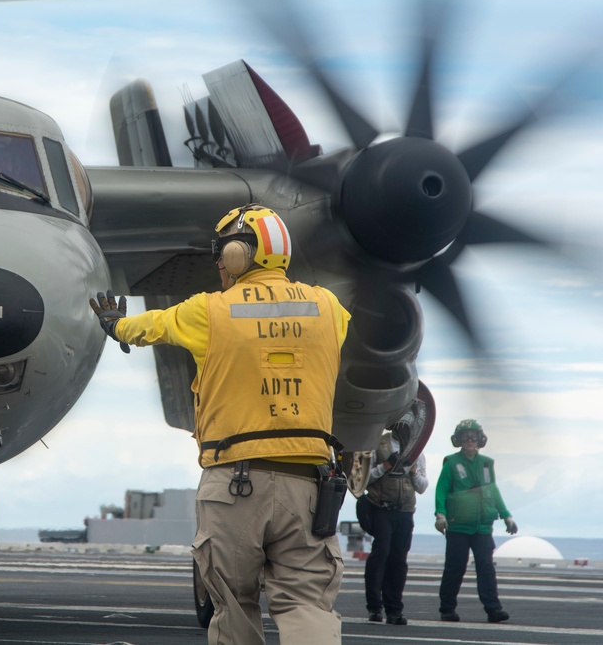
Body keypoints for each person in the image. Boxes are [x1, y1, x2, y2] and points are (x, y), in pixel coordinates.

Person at [89, 204, 350, 645]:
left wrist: (115, 325)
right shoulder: (328, 308)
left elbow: (149, 326)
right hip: (308, 487)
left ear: (237, 254)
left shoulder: (208, 311)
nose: (217, 261)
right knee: (307, 603)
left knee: (234, 605)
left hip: (235, 484)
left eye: (221, 251)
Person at [434, 419, 518, 623]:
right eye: (465, 437)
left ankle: (493, 609)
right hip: (458, 526)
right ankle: (447, 609)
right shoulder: (451, 463)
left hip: (482, 527)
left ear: (480, 439)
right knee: (455, 567)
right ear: (459, 440)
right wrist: (440, 515)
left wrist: (507, 515)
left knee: (486, 567)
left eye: (473, 436)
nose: (469, 440)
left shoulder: (486, 464)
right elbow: (441, 489)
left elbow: (493, 491)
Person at [362, 414, 428, 626]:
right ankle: (374, 606)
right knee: (381, 553)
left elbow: (422, 486)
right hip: (381, 507)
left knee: (399, 559)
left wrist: (415, 472)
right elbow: (363, 478)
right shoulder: (377, 444)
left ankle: (394, 610)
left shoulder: (417, 450)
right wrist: (385, 466)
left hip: (405, 511)